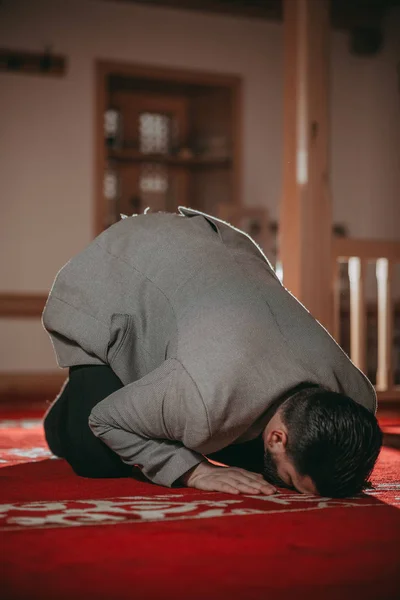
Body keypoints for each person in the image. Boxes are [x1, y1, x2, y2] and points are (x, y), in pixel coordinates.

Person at [42, 206, 382, 498]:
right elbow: (107, 418)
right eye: (295, 482)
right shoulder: (203, 398)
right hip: (127, 268)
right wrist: (195, 472)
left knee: (257, 460)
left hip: (213, 272)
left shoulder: (358, 396)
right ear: (278, 436)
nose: (291, 488)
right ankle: (67, 410)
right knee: (95, 455)